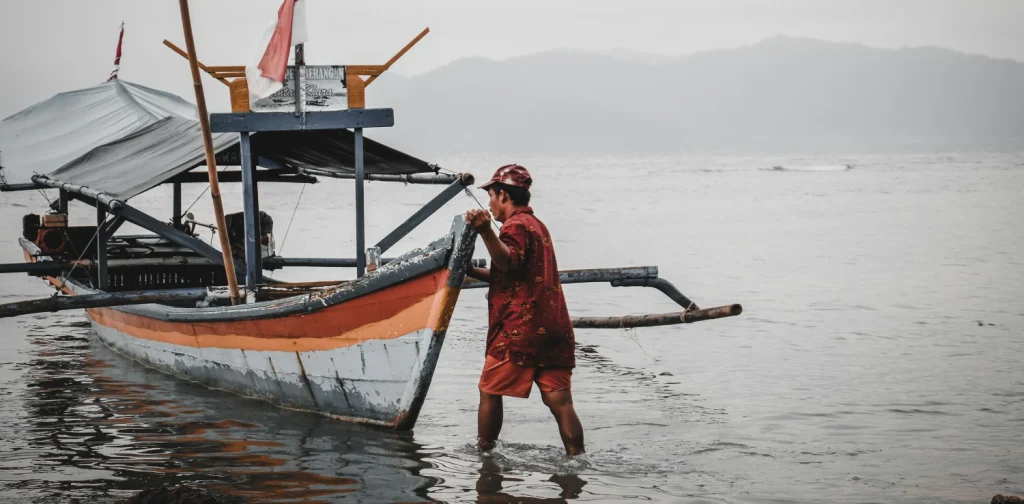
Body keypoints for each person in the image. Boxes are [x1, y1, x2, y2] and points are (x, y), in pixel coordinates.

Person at [464, 163, 585, 457]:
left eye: (491, 195)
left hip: (519, 332)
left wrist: (483, 231)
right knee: (562, 404)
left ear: (503, 195)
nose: (490, 203)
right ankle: (577, 463)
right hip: (554, 330)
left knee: (489, 390)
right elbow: (512, 272)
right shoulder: (537, 226)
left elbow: (508, 262)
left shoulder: (515, 225)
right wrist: (467, 270)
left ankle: (485, 456)